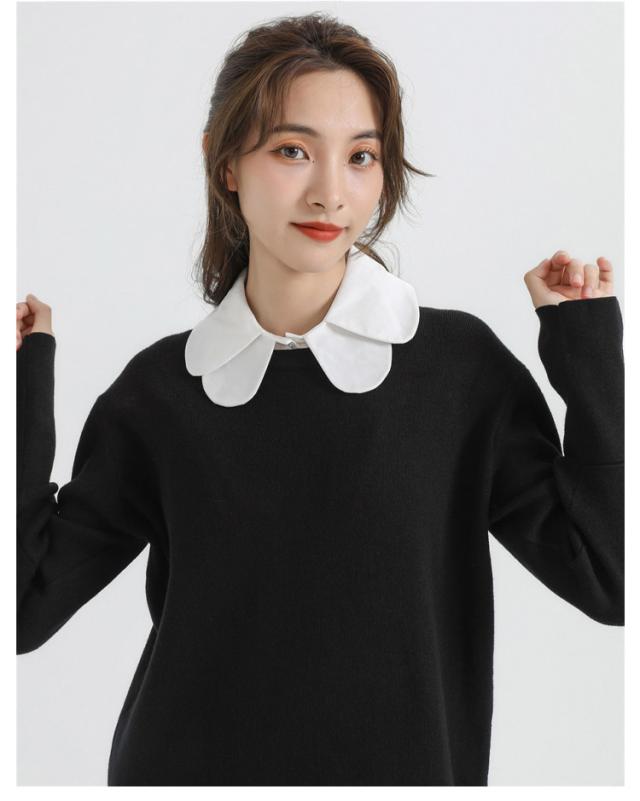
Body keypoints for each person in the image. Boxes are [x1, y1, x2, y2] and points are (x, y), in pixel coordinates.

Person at [16, 11, 624, 787]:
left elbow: (611, 576)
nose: (331, 193)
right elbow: (22, 608)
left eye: (361, 156)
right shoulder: (161, 394)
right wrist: (19, 382)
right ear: (225, 163)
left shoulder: (458, 373)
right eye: (293, 150)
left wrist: (587, 352)